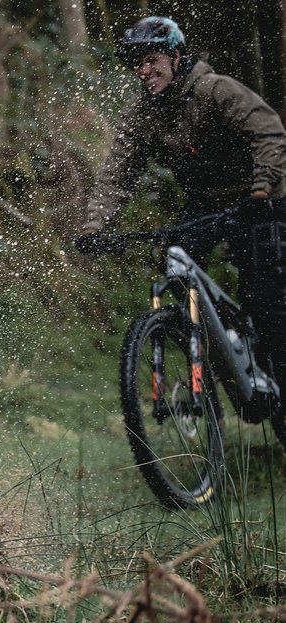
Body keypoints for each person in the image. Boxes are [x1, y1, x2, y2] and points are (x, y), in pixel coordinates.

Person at [78, 16, 286, 380]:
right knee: (176, 261)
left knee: (265, 297)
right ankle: (223, 346)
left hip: (260, 198)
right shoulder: (142, 115)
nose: (143, 71)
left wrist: (262, 190)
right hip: (206, 204)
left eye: (152, 60)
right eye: (137, 64)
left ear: (176, 56)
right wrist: (95, 225)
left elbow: (268, 133)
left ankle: (274, 367)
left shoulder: (215, 90)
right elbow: (116, 174)